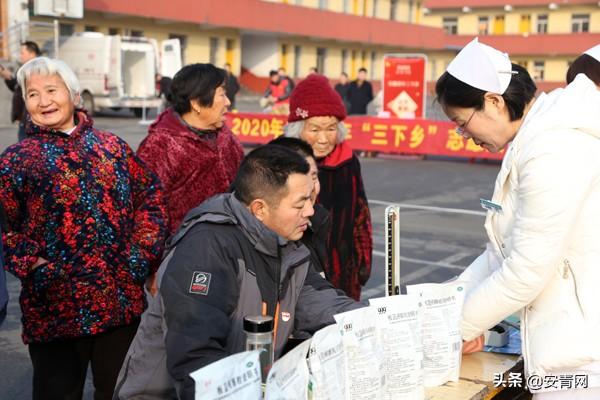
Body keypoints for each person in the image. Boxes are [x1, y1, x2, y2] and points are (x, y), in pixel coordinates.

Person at [113, 145, 362, 400]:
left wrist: (372, 320)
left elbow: (320, 301)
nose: (310, 211)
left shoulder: (286, 245)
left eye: (310, 198)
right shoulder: (206, 249)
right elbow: (195, 355)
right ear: (259, 209)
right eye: (300, 203)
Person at [436, 38, 600, 398]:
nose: (464, 136)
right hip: (566, 348)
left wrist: (457, 327)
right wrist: (446, 302)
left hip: (583, 361)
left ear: (493, 102)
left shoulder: (553, 148)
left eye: (462, 123)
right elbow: (502, 252)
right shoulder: (533, 141)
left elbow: (525, 271)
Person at [0, 57, 168, 399]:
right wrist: (33, 265)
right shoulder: (16, 160)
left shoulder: (112, 148)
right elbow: (5, 228)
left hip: (118, 302)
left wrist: (138, 258)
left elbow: (150, 200)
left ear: (74, 95)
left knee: (121, 391)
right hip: (54, 307)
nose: (44, 101)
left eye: (51, 90)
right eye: (33, 94)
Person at [284, 74, 373, 301]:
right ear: (297, 128)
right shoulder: (279, 160)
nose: (323, 139)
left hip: (343, 272)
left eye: (331, 129)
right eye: (314, 129)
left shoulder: (347, 161)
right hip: (295, 271)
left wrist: (362, 261)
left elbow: (360, 214)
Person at [137, 63, 244, 235]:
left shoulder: (225, 136)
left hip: (228, 246)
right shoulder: (161, 146)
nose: (228, 102)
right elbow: (144, 210)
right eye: (222, 95)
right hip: (181, 251)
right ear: (196, 103)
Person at [268, 137, 329, 277]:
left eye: (314, 177)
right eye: (302, 178)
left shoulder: (316, 224)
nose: (311, 187)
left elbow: (319, 290)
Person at [0, 41, 40, 142]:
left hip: (32, 121)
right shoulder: (24, 69)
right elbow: (17, 88)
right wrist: (7, 76)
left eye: (22, 53)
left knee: (29, 153)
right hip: (24, 121)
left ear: (32, 53)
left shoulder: (38, 69)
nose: (20, 55)